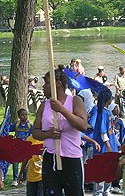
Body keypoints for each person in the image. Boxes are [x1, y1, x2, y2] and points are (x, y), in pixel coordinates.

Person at [32, 66, 88, 195]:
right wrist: (48, 134)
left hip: (71, 158)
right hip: (51, 157)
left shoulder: (75, 101)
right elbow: (35, 132)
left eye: (46, 83)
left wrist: (62, 110)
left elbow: (82, 126)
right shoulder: (44, 105)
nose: (44, 86)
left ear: (57, 84)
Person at [9, 108, 33, 186]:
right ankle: (15, 179)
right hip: (17, 147)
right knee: (15, 163)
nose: (25, 116)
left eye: (26, 114)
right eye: (22, 115)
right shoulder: (16, 124)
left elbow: (33, 135)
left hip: (26, 147)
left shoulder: (29, 126)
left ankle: (24, 179)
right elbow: (9, 129)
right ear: (19, 116)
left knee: (25, 163)